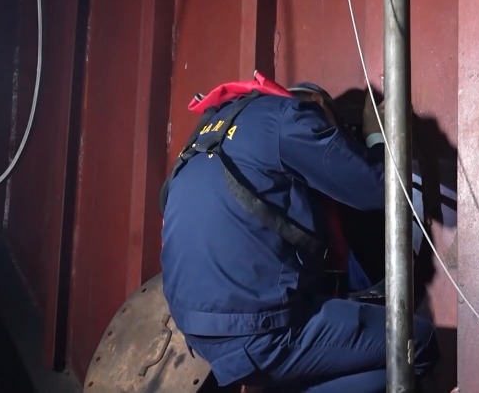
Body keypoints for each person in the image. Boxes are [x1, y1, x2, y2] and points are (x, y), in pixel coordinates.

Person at [159, 72, 440, 392]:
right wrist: (376, 136)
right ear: (317, 105)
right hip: (257, 329)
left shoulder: (203, 136)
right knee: (416, 343)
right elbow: (378, 187)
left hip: (200, 334)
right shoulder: (289, 117)